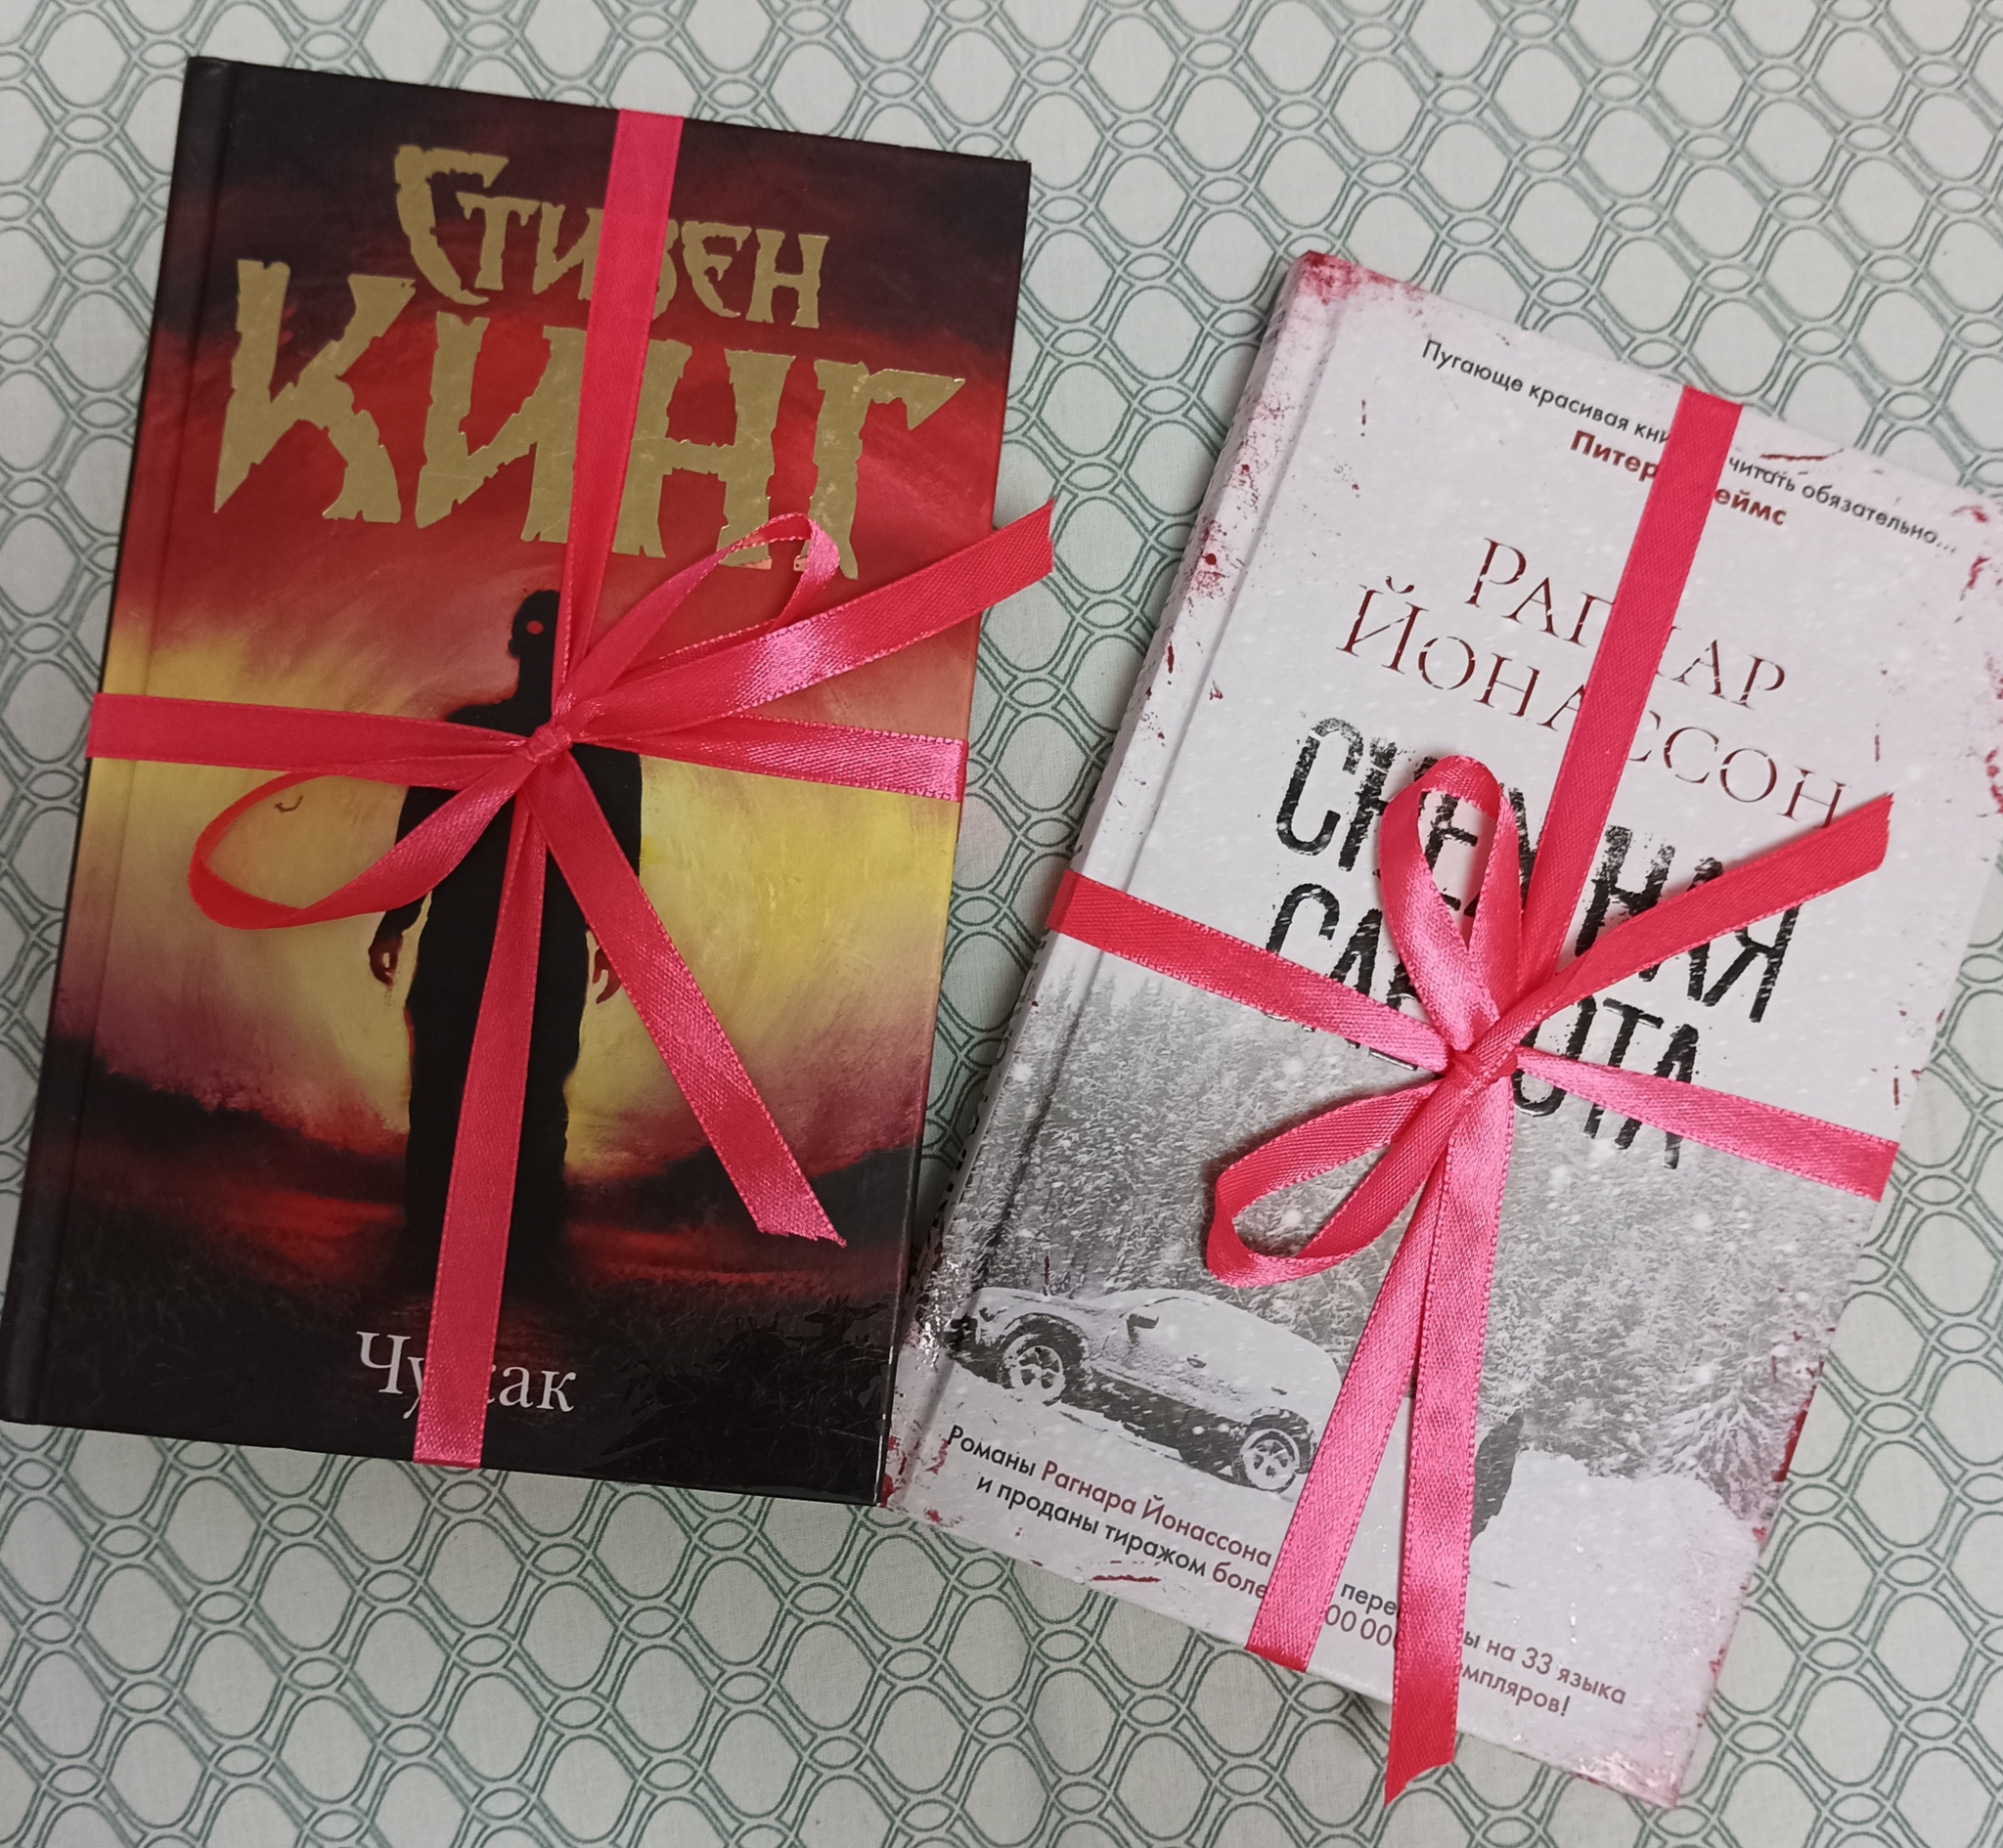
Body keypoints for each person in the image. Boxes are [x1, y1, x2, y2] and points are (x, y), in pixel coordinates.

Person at [369, 591, 643, 1287]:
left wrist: (617, 940)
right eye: (542, 637)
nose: (545, 653)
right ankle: (460, 1242)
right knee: (461, 1086)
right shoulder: (491, 735)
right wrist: (396, 918)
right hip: (476, 938)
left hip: (527, 942)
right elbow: (425, 831)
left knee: (520, 1090)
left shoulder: (597, 751)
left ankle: (512, 1247)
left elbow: (616, 853)